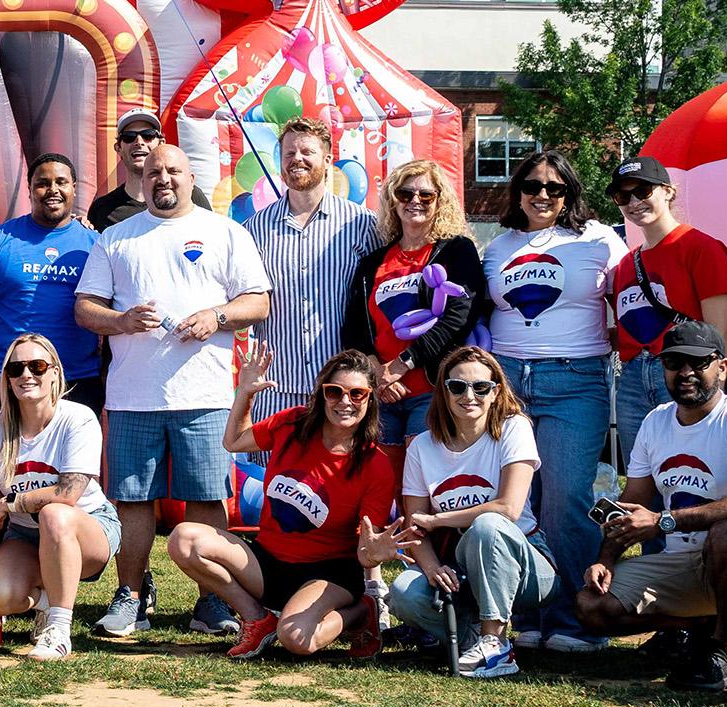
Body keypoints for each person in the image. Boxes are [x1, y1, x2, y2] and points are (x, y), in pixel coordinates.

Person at [74, 143, 273, 638]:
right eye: (155, 171)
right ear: (143, 180)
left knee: (206, 499)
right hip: (133, 396)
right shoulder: (116, 238)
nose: (163, 179)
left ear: (191, 178)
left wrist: (216, 315)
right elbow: (84, 308)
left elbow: (258, 301)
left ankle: (214, 600)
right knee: (133, 499)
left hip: (204, 396)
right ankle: (131, 598)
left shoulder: (225, 232)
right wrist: (119, 319)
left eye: (174, 171)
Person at [576, 321, 727, 692]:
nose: (685, 373)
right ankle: (696, 628)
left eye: (698, 362)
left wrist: (663, 522)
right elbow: (632, 505)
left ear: (722, 365)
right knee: (591, 605)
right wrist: (605, 559)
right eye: (673, 362)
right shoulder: (655, 422)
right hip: (686, 561)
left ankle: (722, 651)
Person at [483, 150, 625, 653]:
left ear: (569, 194)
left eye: (555, 187)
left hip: (575, 379)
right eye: (532, 185)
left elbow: (635, 290)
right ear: (517, 190)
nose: (542, 195)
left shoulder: (598, 239)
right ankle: (530, 613)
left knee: (566, 500)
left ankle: (579, 615)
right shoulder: (498, 247)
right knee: (520, 502)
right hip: (507, 385)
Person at [176, 344, 398, 661]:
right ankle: (257, 618)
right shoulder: (293, 424)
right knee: (184, 539)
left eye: (357, 394)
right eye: (334, 392)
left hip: (328, 573)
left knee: (296, 639)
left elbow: (364, 549)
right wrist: (246, 393)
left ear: (370, 398)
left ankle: (361, 613)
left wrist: (373, 551)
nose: (344, 402)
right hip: (268, 561)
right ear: (322, 393)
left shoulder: (375, 465)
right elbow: (234, 441)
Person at [382, 346, 555, 680]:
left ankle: (496, 643)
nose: (469, 395)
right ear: (443, 392)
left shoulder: (514, 428)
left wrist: (439, 520)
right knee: (404, 591)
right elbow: (414, 526)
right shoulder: (421, 446)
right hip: (460, 569)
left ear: (496, 392)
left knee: (488, 525)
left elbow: (508, 508)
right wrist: (431, 567)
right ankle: (470, 637)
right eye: (457, 387)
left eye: (480, 387)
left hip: (529, 567)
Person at [0, 334, 113, 661]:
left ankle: (59, 630)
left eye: (37, 366)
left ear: (55, 373)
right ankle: (47, 600)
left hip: (86, 529)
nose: (26, 375)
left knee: (54, 513)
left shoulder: (77, 418)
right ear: (6, 379)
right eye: (16, 369)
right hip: (24, 536)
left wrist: (13, 503)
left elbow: (68, 493)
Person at [243, 118, 380, 423]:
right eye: (289, 154)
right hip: (276, 389)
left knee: (340, 471)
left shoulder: (361, 225)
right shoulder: (254, 230)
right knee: (273, 473)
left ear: (328, 160)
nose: (297, 159)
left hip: (342, 391)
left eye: (307, 152)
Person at [341, 161, 487, 446]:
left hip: (433, 392)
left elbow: (459, 317)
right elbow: (354, 328)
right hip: (382, 393)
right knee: (382, 485)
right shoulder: (373, 262)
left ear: (439, 201)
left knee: (425, 485)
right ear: (393, 201)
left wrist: (403, 364)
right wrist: (379, 374)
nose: (415, 201)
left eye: (426, 195)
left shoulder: (457, 250)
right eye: (405, 194)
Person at [0, 153, 106, 421]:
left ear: (74, 187)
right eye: (43, 183)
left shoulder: (97, 244)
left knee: (73, 464)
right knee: (4, 463)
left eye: (61, 182)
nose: (53, 190)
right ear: (29, 189)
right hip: (10, 377)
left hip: (77, 380)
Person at [604, 157, 727, 452]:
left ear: (667, 191)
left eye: (643, 191)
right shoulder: (626, 263)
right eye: (623, 196)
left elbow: (719, 333)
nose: (633, 201)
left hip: (685, 372)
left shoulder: (702, 248)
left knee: (691, 468)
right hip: (631, 380)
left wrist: (713, 387)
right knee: (641, 473)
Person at [86, 111, 207, 230]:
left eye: (148, 135)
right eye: (129, 137)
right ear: (118, 148)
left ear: (161, 143)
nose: (139, 142)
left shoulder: (190, 195)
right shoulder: (102, 209)